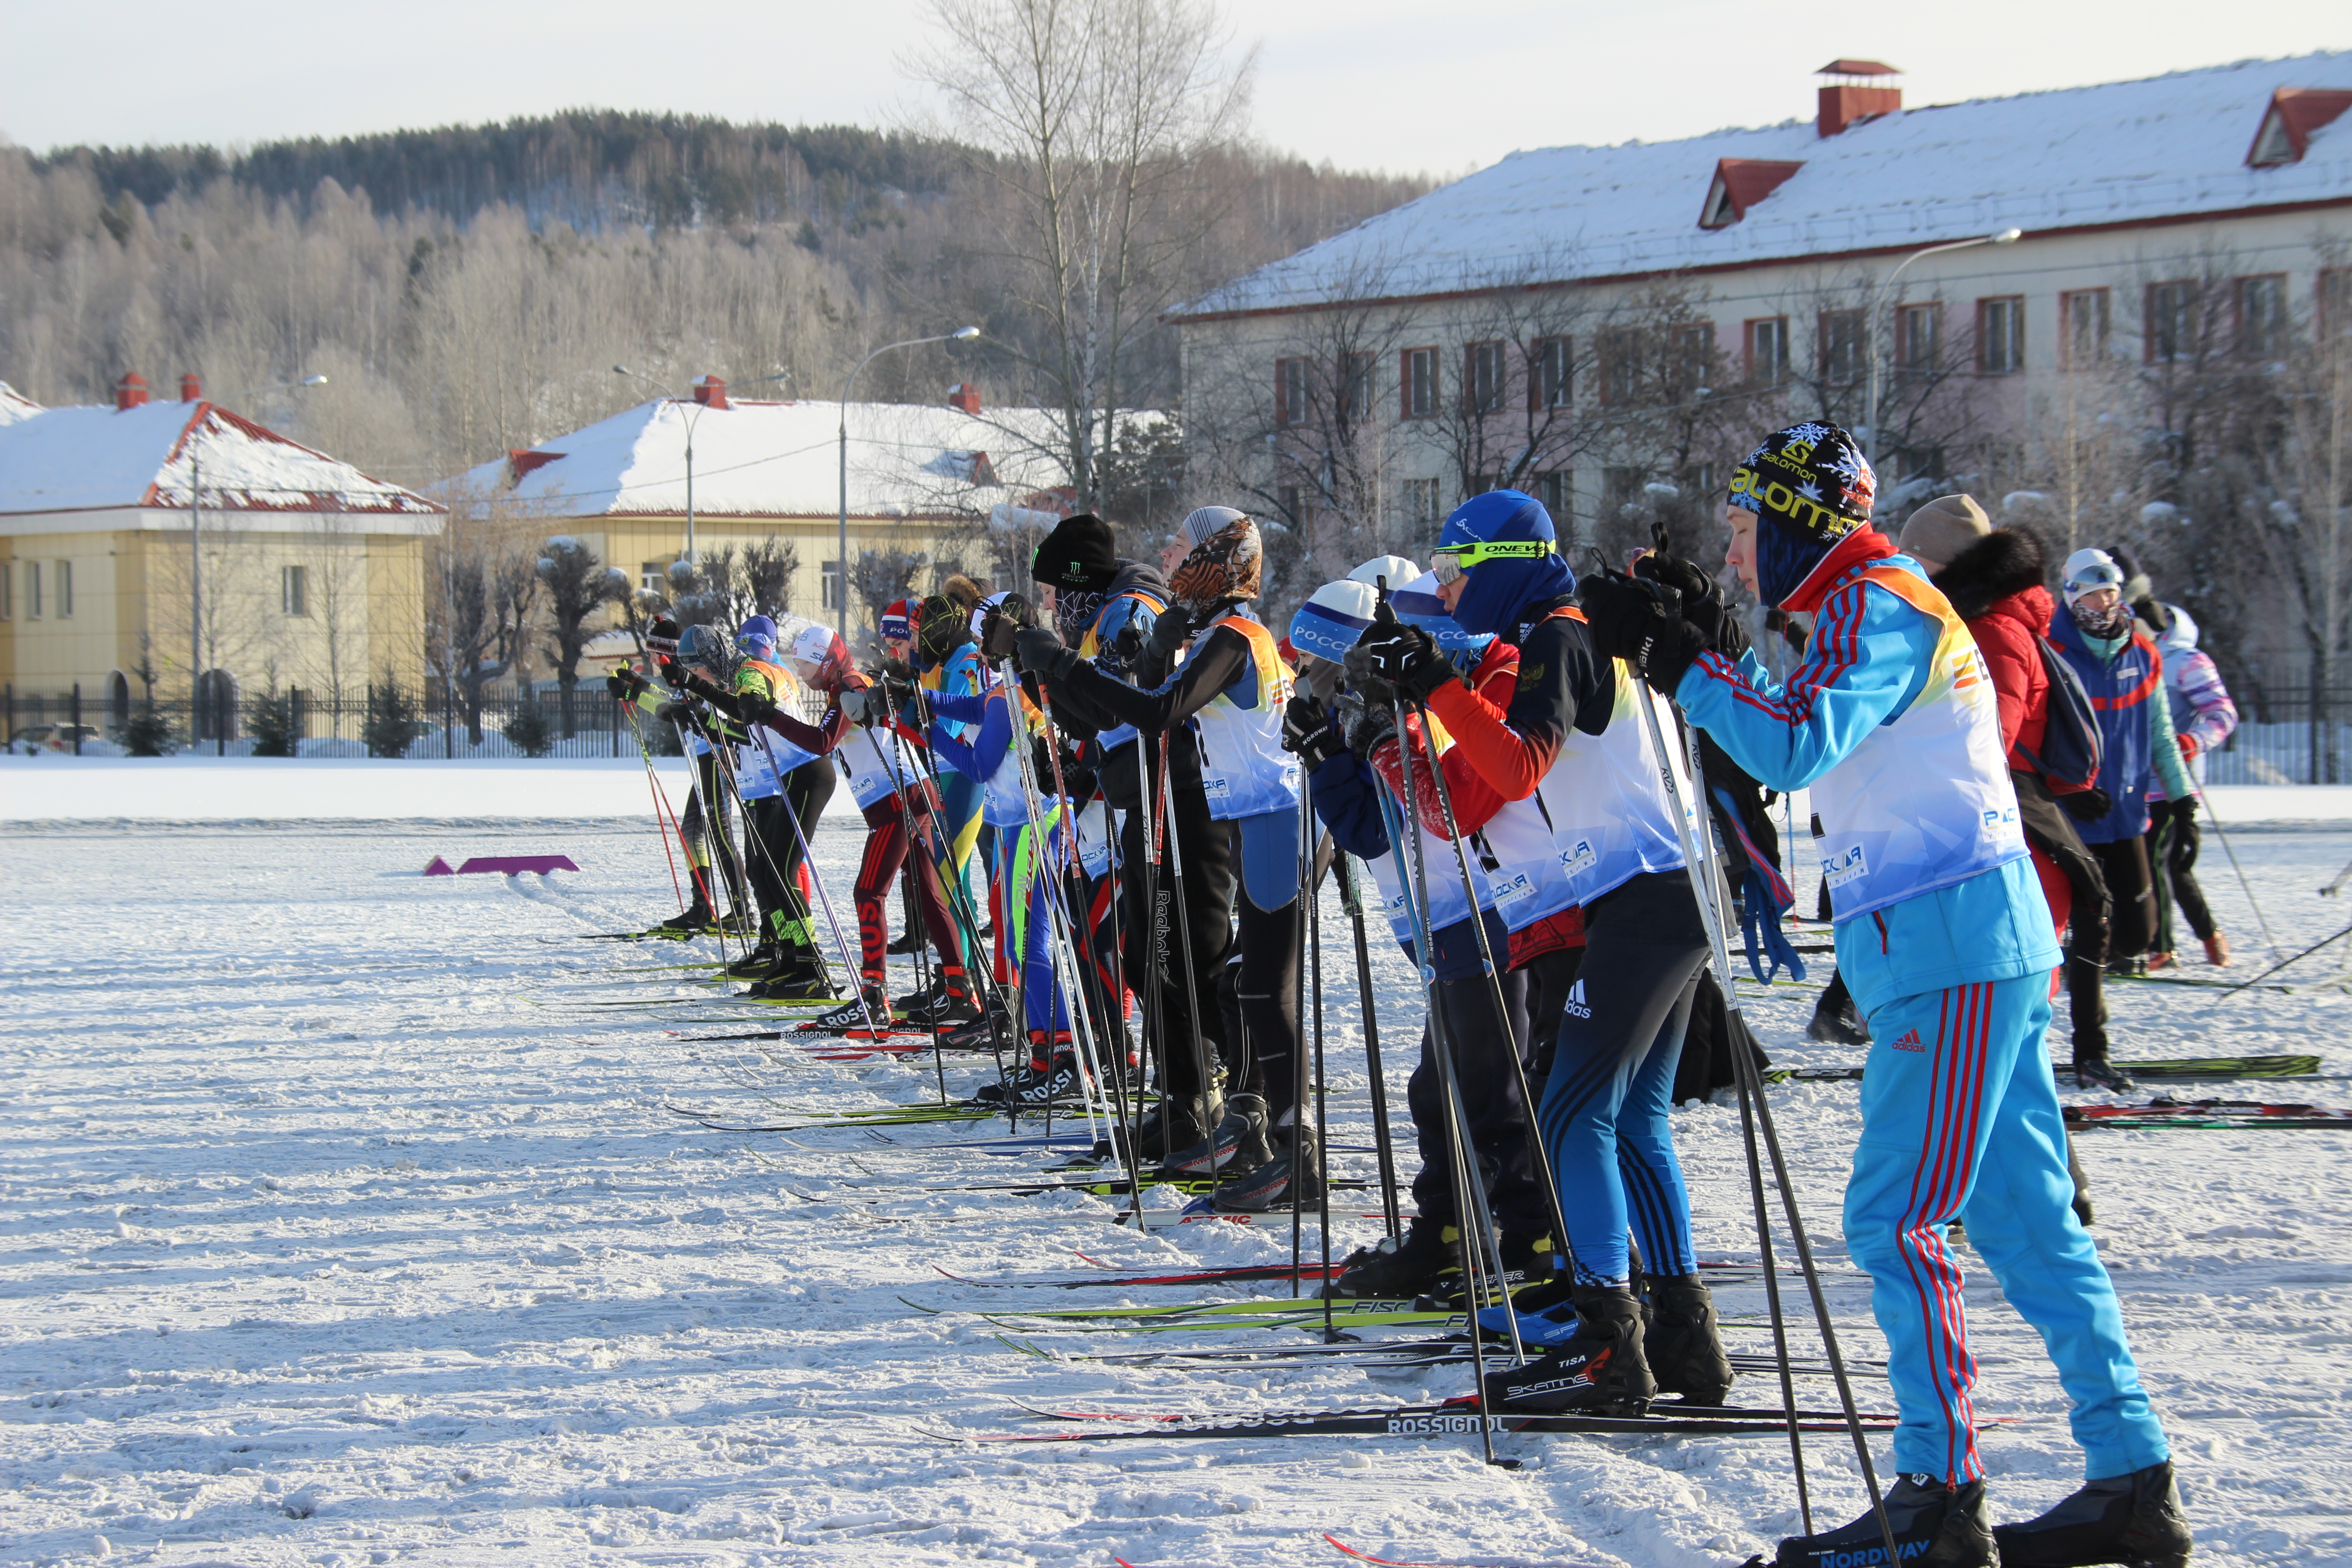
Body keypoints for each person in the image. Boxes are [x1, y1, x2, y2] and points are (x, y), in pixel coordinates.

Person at [1582, 421, 2185, 1568]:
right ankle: (2128, 1474)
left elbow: (1798, 744)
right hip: (1950, 934)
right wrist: (1703, 638)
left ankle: (1937, 1495)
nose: (1737, 544)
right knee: (2019, 1216)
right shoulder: (1860, 603)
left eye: (1748, 526)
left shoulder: (1880, 596)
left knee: (1893, 1215)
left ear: (1803, 521)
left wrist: (1678, 662)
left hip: (1946, 936)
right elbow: (1798, 715)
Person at [1351, 489, 1732, 1415]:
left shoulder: (1560, 633)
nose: (1445, 593)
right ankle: (1681, 1336)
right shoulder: (1562, 630)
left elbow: (1518, 766)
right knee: (1633, 1119)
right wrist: (1433, 683)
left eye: (1455, 574)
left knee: (1570, 1114)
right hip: (1658, 892)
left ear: (1504, 563)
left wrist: (1434, 688)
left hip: (1643, 893)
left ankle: (1609, 1346)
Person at [1293, 572, 1564, 1293]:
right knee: (1444, 1082)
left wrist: (1374, 738)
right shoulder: (1393, 695)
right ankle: (1456, 1228)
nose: (1315, 680)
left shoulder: (1448, 688)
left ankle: (1529, 1234)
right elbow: (1369, 822)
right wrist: (1327, 757)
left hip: (1482, 906)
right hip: (1438, 911)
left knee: (1487, 1083)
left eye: (1320, 664)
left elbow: (1437, 805)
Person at [1018, 510, 1302, 1196]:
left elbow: (1155, 711)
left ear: (1218, 561)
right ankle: (1230, 1115)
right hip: (1224, 811)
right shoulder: (1211, 629)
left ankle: (1265, 1126)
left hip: (1245, 816)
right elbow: (1146, 697)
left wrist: (1057, 666)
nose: (1171, 564)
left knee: (1236, 977)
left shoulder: (1236, 635)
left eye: (1186, 551)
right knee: (1177, 962)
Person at [1901, 500, 2122, 1094]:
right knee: (2008, 1032)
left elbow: (1985, 748)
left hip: (2013, 835)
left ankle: (2059, 1173)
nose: (1905, 575)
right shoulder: (1980, 624)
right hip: (2009, 829)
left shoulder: (1992, 632)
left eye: (1915, 561)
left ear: (1951, 566)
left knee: (2011, 1031)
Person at [2048, 550, 2196, 1018]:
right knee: (2091, 926)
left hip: (2126, 816)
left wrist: (2184, 800)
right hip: (2071, 818)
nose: (2104, 602)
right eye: (2093, 594)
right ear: (2072, 596)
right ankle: (2089, 1040)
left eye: (2110, 592)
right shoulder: (2050, 647)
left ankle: (2080, 965)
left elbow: (2162, 734)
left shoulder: (2142, 652)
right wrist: (2065, 786)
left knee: (2137, 936)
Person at [2145, 603, 2237, 968]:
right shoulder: (2127, 653)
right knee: (2169, 867)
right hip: (2125, 785)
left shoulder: (2188, 660)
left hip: (2169, 785)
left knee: (2161, 864)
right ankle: (2211, 936)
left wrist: (2191, 741)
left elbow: (2223, 713)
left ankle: (2162, 947)